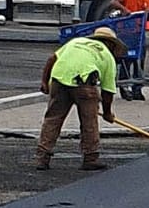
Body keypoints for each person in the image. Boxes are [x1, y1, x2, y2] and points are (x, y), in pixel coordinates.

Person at [34, 24, 124, 169]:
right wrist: (107, 113)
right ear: (111, 44)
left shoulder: (75, 42)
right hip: (85, 84)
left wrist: (44, 82)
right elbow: (108, 92)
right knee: (89, 120)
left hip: (59, 79)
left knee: (53, 119)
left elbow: (52, 59)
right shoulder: (107, 56)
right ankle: (90, 158)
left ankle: (42, 157)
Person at [114, 0, 149, 94]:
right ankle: (124, 85)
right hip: (126, 33)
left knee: (139, 60)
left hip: (139, 34)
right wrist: (124, 9)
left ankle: (137, 88)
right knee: (126, 59)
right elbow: (114, 2)